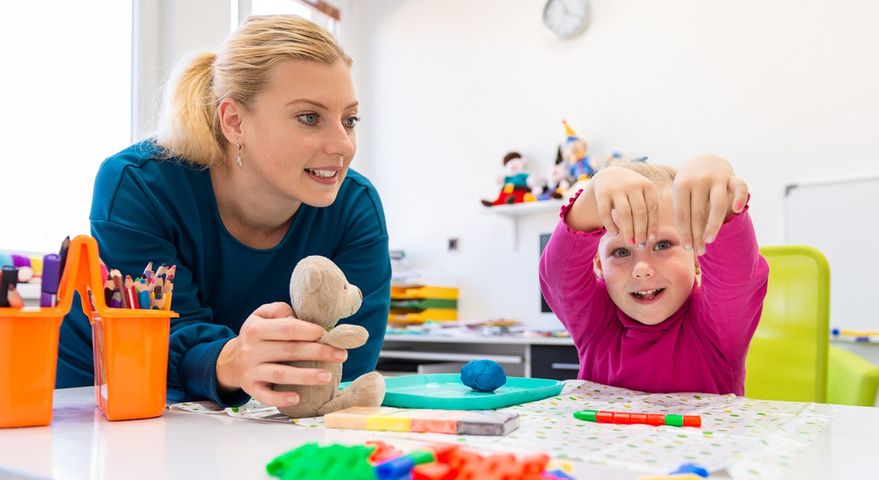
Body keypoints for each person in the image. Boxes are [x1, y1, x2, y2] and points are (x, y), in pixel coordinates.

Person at [57, 15, 391, 409]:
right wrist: (230, 360)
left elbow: (342, 365)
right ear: (234, 121)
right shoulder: (140, 185)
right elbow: (155, 339)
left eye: (349, 120)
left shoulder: (355, 207)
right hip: (96, 397)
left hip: (239, 414)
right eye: (309, 117)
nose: (343, 145)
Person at [539, 154, 769, 395]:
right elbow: (558, 277)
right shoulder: (596, 324)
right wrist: (592, 194)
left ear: (697, 256)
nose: (642, 270)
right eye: (621, 251)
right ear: (598, 265)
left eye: (662, 245)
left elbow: (736, 277)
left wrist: (717, 191)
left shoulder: (718, 327)